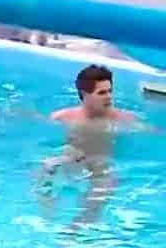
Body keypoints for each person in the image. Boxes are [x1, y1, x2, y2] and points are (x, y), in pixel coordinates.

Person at [39, 64, 138, 228]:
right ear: (85, 94)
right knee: (44, 168)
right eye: (102, 93)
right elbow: (48, 143)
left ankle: (72, 233)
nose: (109, 97)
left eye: (110, 91)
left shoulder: (124, 119)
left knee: (105, 188)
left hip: (101, 167)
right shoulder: (62, 117)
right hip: (71, 161)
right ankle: (47, 219)